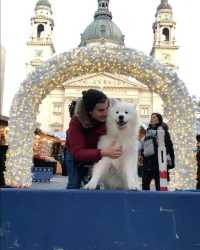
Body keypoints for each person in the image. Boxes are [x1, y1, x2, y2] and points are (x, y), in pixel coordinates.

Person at [66, 89, 122, 189]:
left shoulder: (114, 114)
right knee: (74, 184)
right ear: (90, 112)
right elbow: (78, 152)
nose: (105, 113)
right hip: (76, 154)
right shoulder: (76, 121)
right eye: (100, 110)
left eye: (107, 108)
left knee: (94, 184)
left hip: (100, 152)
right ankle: (72, 202)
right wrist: (102, 152)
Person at [141, 113, 175, 191]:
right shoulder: (147, 131)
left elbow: (169, 146)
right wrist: (141, 154)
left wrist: (170, 160)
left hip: (159, 161)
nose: (151, 119)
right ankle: (145, 200)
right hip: (148, 161)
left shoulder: (163, 131)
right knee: (145, 183)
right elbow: (144, 145)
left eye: (154, 117)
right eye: (151, 117)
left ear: (159, 119)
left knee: (159, 184)